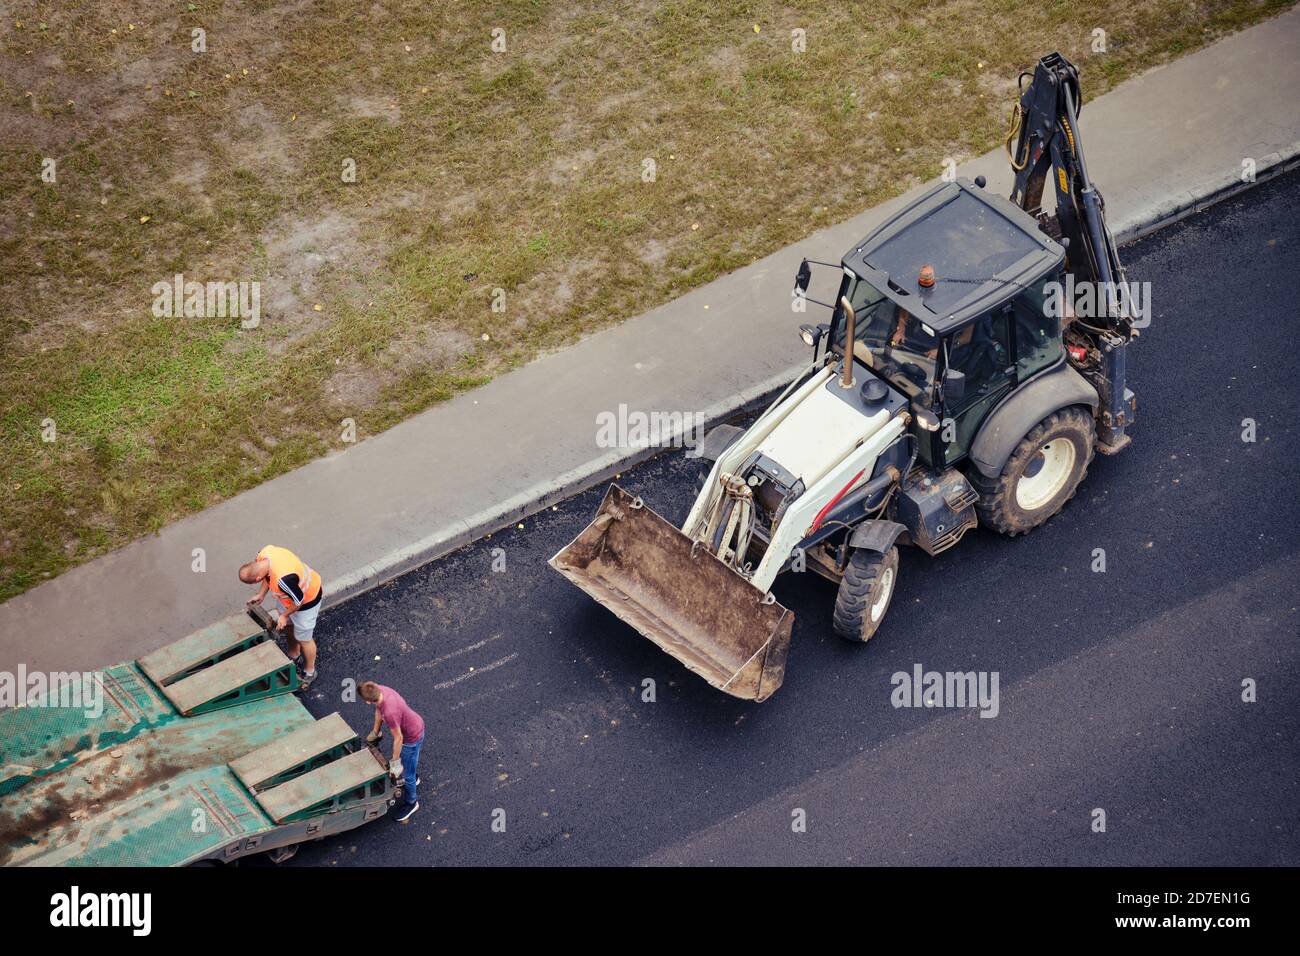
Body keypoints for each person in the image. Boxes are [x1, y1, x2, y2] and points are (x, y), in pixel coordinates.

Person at [239, 545, 324, 690]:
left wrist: (284, 615)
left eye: (256, 581)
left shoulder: (284, 580)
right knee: (289, 627)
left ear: (257, 577)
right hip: (287, 596)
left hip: (307, 601)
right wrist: (261, 595)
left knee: (304, 639)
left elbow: (299, 601)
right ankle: (294, 653)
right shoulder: (263, 554)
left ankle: (310, 671)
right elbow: (267, 576)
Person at [361, 681, 425, 823]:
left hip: (411, 738)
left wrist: (395, 763)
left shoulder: (390, 712)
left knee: (406, 774)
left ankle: (412, 803)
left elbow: (398, 738)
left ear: (367, 701)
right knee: (408, 766)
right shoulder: (381, 691)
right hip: (414, 724)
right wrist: (375, 732)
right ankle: (414, 778)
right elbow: (379, 710)